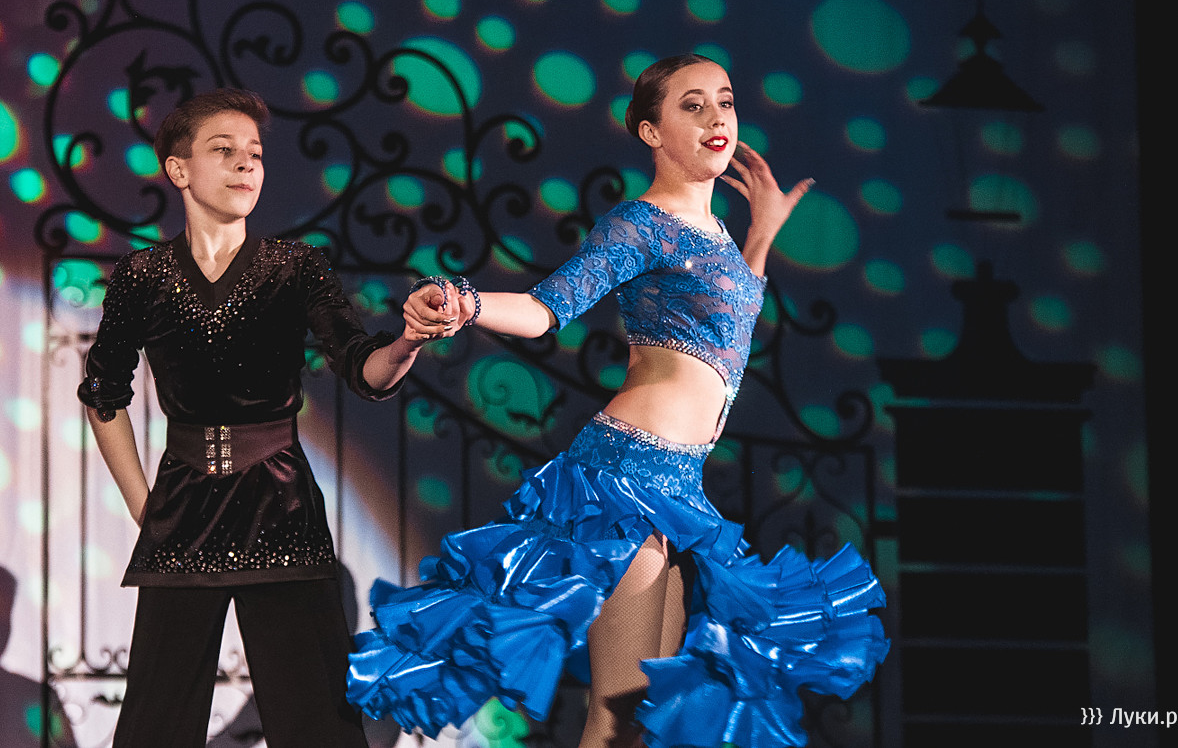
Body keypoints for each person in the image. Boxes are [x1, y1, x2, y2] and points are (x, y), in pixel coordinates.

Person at [347, 55, 889, 748]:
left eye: (725, 101)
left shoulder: (719, 237)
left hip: (679, 488)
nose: (717, 117)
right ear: (650, 132)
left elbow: (729, 329)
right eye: (692, 105)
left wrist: (760, 235)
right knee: (614, 714)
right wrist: (467, 301)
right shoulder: (642, 225)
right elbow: (548, 307)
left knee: (641, 716)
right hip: (625, 481)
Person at [78, 88, 435, 748]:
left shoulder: (295, 268)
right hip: (183, 507)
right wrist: (144, 508)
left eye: (255, 154)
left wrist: (408, 342)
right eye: (224, 150)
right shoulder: (142, 275)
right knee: (157, 722)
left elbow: (362, 368)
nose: (246, 164)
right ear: (178, 169)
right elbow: (104, 393)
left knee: (317, 722)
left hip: (280, 504)